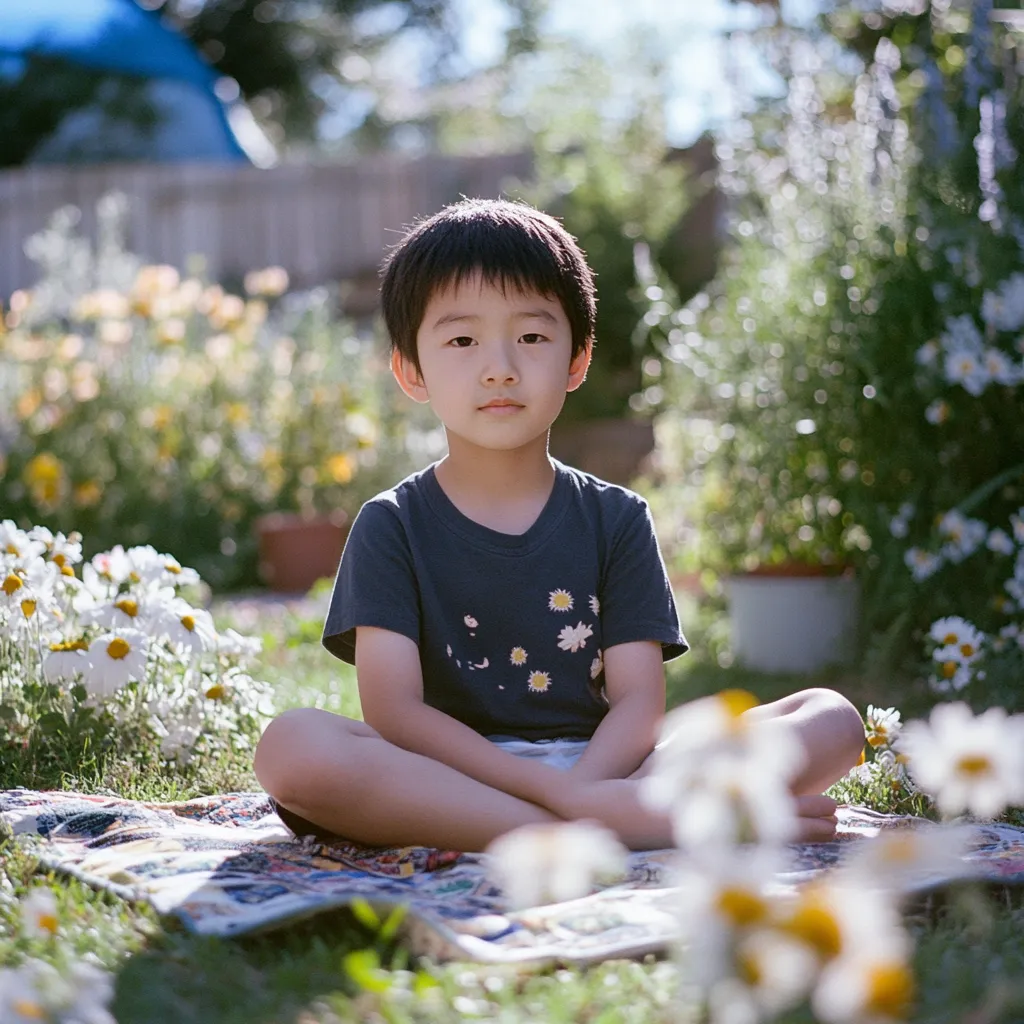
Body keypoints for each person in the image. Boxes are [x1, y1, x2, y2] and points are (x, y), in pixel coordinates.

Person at [253, 198, 865, 853]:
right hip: (453, 781)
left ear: (577, 359)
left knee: (830, 718)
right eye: (462, 339)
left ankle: (603, 824)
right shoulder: (391, 524)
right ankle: (631, 831)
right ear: (411, 370)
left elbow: (638, 704)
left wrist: (589, 787)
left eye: (533, 336)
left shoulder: (617, 518)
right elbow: (395, 713)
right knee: (292, 748)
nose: (500, 367)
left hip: (616, 770)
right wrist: (566, 798)